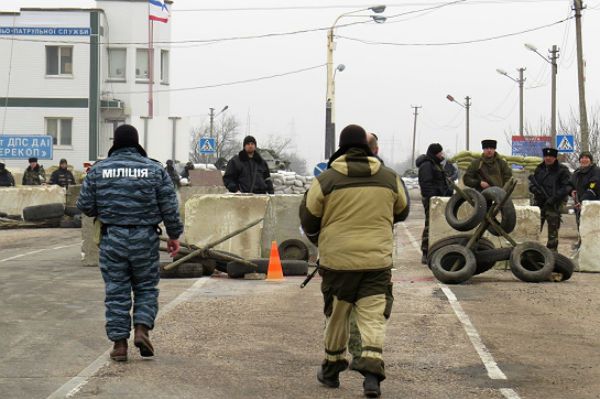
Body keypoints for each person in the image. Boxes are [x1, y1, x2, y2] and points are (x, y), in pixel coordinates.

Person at [300, 124, 408, 398]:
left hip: (338, 263)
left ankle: (332, 369)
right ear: (366, 146)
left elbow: (309, 218)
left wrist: (322, 240)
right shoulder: (389, 177)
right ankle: (372, 376)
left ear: (342, 146)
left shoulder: (326, 180)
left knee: (337, 315)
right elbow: (402, 211)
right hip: (376, 261)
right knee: (373, 316)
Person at [77, 124, 183, 362]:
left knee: (117, 290)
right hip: (145, 238)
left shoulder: (98, 170)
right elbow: (170, 207)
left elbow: (84, 204)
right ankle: (142, 329)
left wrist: (103, 210)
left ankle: (119, 345)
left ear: (115, 143)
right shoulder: (154, 169)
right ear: (136, 144)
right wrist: (174, 235)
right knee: (145, 287)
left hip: (112, 237)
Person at [416, 143, 454, 264]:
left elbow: (441, 182)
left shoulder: (437, 165)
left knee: (438, 225)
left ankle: (436, 250)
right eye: (440, 153)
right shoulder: (427, 165)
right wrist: (433, 199)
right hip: (432, 201)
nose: (442, 155)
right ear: (435, 153)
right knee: (430, 225)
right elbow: (426, 184)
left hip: (440, 200)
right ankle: (425, 252)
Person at [528, 148, 571, 251]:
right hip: (539, 203)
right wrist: (535, 190)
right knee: (535, 227)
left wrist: (554, 198)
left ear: (555, 157)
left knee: (553, 230)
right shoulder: (540, 168)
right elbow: (531, 185)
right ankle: (532, 251)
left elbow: (567, 187)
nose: (548, 158)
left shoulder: (562, 170)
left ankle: (552, 253)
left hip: (553, 204)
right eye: (546, 156)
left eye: (550, 156)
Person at [569, 151, 600, 248]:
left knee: (593, 224)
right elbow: (569, 184)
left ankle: (593, 245)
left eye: (587, 158)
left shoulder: (596, 170)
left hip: (593, 202)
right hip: (579, 203)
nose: (584, 160)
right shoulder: (577, 172)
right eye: (582, 158)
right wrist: (571, 191)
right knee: (580, 223)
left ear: (590, 160)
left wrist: (583, 201)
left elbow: (593, 186)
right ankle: (582, 243)